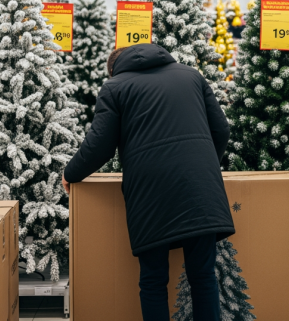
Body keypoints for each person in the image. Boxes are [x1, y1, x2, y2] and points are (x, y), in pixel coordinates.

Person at [63, 43, 234, 321]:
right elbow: (221, 129)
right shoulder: (192, 75)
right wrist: (204, 165)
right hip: (200, 188)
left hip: (150, 192)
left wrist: (71, 173)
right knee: (203, 276)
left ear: (114, 68)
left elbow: (100, 146)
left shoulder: (115, 87)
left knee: (153, 280)